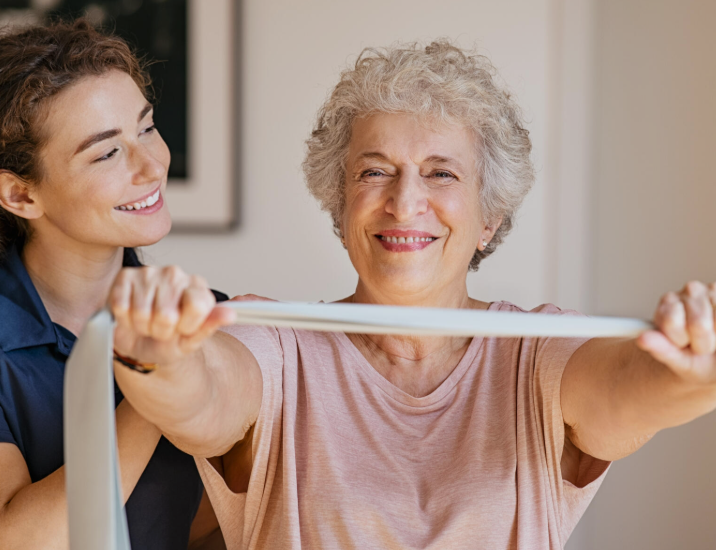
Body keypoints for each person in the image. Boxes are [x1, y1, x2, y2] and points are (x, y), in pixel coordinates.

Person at [109, 41, 716, 549]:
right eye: (374, 171)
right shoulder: (274, 343)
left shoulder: (541, 353)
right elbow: (200, 396)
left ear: (490, 218)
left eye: (442, 173)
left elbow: (635, 391)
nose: (404, 202)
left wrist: (692, 368)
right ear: (340, 204)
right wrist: (157, 354)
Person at [0, 20, 225, 550]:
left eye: (146, 128)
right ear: (19, 195)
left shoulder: (209, 318)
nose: (151, 166)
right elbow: (20, 538)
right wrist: (160, 378)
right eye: (106, 153)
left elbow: (206, 527)